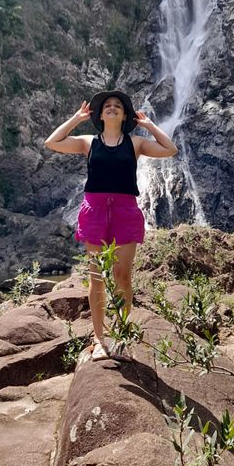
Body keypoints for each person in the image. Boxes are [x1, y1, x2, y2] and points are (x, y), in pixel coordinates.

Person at [45, 90, 178, 361]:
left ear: (125, 115)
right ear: (100, 114)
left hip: (125, 210)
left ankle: (121, 336)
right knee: (97, 277)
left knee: (122, 276)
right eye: (107, 106)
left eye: (118, 105)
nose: (112, 108)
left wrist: (150, 125)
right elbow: (52, 142)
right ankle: (98, 338)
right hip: (95, 210)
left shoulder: (137, 143)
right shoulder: (88, 142)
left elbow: (170, 149)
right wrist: (76, 118)